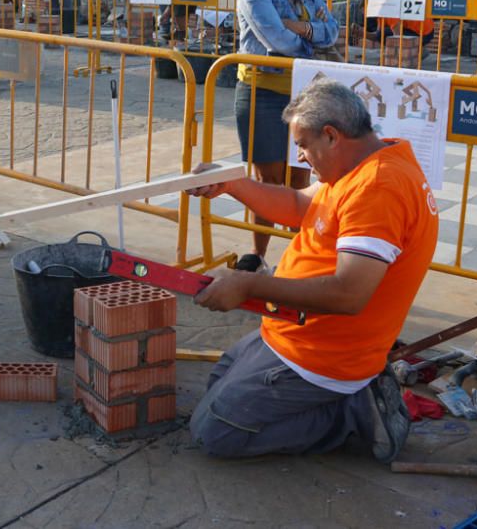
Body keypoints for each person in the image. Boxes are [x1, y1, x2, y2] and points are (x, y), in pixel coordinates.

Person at [186, 82, 438, 463]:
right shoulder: (360, 165)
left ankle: (354, 415)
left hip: (325, 355)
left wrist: (250, 284)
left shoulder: (378, 187)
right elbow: (300, 205)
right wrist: (234, 184)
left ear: (333, 136)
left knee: (214, 433)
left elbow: (348, 294)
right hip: (292, 332)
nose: (301, 158)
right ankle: (340, 401)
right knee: (218, 385)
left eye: (303, 145)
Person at [233, 0, 338, 273]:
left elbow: (332, 29)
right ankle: (258, 258)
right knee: (269, 180)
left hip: (303, 92)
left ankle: (301, 261)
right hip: (262, 91)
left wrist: (302, 28)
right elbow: (276, 39)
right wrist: (309, 35)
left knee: (301, 179)